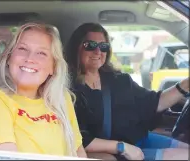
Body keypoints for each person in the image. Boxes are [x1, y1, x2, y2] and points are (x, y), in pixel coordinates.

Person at [65, 22, 189, 160]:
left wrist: (185, 85)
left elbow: (154, 103)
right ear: (77, 48)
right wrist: (121, 147)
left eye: (103, 46)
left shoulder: (120, 80)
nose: (98, 51)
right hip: (114, 152)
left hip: (140, 139)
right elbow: (78, 139)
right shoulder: (68, 90)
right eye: (90, 45)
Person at [0, 22, 87, 158]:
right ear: (9, 58)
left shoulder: (61, 99)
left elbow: (78, 152)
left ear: (53, 67)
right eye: (23, 49)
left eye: (41, 53)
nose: (30, 59)